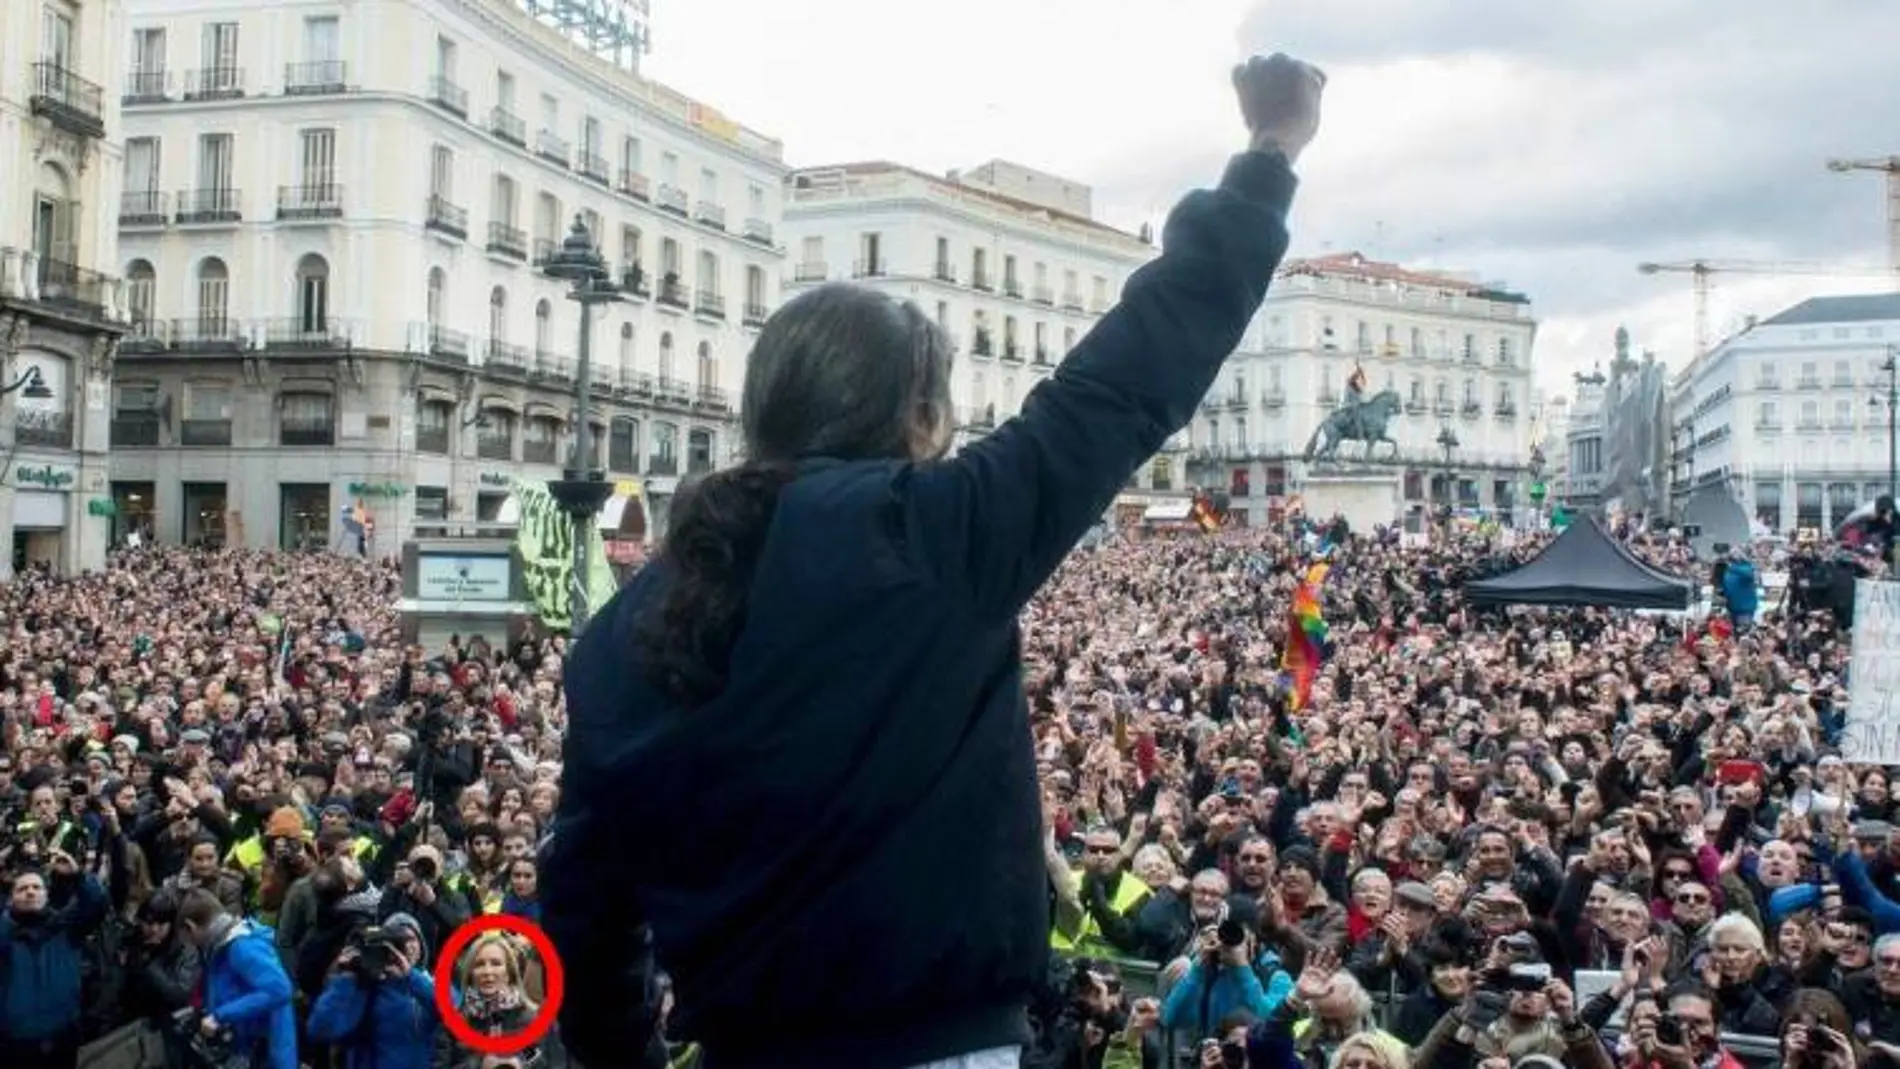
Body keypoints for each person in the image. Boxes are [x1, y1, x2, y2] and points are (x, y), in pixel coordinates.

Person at [545, 50, 1325, 1069]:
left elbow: (586, 898)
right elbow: (1130, 374)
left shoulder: (623, 628)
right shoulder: (936, 534)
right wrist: (1268, 155)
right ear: (916, 416)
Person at [0, 851, 108, 1069]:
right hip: (15, 1044)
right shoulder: (4, 935)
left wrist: (77, 875)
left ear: (46, 895)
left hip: (63, 1037)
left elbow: (97, 903)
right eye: (22, 889)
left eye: (36, 887)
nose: (30, 892)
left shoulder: (66, 927)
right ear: (11, 899)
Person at [178, 886, 299, 1069]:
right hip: (248, 1048)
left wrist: (220, 1016)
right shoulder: (222, 946)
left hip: (265, 1054)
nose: (192, 945)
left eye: (189, 939)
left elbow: (279, 989)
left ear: (191, 927)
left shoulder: (241, 947)